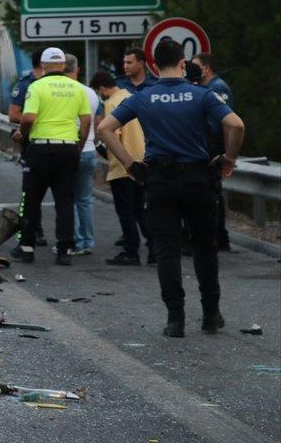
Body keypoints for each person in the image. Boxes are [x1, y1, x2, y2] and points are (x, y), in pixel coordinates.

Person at [98, 38, 245, 337]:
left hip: (159, 180)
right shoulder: (202, 94)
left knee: (167, 249)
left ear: (153, 66)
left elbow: (104, 129)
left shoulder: (143, 97)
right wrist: (228, 158)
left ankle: (175, 319)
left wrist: (129, 163)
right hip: (197, 180)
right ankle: (209, 314)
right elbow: (236, 125)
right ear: (183, 63)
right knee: (205, 247)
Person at [11, 47, 91, 265]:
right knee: (65, 200)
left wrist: (21, 135)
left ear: (43, 66)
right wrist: (78, 147)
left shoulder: (36, 87)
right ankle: (64, 250)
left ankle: (26, 247)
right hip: (68, 149)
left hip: (40, 149)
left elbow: (27, 118)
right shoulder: (77, 88)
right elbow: (85, 123)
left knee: (32, 198)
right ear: (63, 65)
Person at [89, 71, 153, 265]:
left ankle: (131, 251)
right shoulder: (133, 98)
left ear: (102, 89)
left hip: (123, 166)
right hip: (142, 161)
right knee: (142, 210)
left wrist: (104, 151)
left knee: (126, 212)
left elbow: (112, 136)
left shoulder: (111, 105)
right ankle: (155, 249)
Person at [8, 47, 48, 247]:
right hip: (31, 144)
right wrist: (37, 120)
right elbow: (13, 114)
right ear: (43, 64)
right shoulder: (25, 85)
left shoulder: (55, 84)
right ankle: (32, 230)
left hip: (53, 144)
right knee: (30, 192)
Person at [194, 53, 234, 252]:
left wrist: (225, 153)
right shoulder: (206, 88)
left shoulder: (217, 88)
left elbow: (225, 123)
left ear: (206, 68)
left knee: (214, 195)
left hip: (213, 148)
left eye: (196, 66)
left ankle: (220, 237)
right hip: (209, 147)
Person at [65, 54, 100, 255]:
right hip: (89, 150)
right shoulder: (91, 93)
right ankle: (88, 241)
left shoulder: (65, 92)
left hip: (70, 148)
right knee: (85, 199)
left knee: (69, 198)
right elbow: (97, 121)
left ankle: (76, 241)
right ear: (77, 69)